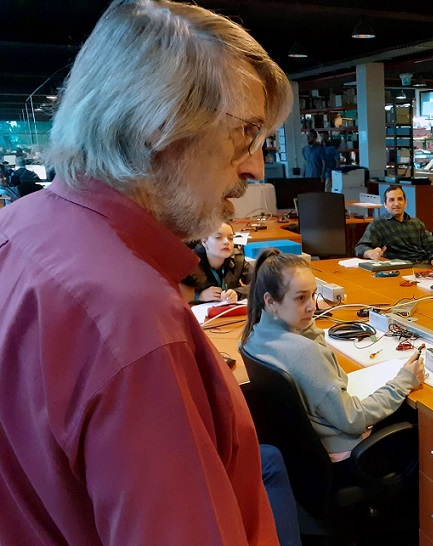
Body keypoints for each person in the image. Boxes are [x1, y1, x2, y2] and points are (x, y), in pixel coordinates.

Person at [0, 1, 292, 544]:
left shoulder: (17, 227)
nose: (255, 166)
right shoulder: (132, 319)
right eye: (246, 133)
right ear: (161, 121)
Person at [240, 250, 424, 474]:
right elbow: (354, 419)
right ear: (270, 301)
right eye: (300, 298)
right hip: (344, 457)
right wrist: (404, 381)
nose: (311, 307)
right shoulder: (305, 353)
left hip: (306, 458)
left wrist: (304, 321)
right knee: (417, 420)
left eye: (312, 295)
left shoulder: (253, 337)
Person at [355, 185, 433, 268]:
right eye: (391, 200)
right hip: (402, 268)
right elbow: (360, 247)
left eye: (400, 199)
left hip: (425, 266)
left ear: (405, 203)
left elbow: (431, 246)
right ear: (385, 204)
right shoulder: (378, 224)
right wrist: (370, 253)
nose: (396, 204)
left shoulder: (416, 223)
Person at [181, 222, 252, 303]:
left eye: (230, 238)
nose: (226, 242)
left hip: (228, 311)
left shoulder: (237, 259)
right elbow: (172, 293)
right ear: (204, 242)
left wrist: (238, 293)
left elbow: (260, 282)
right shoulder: (190, 262)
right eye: (218, 237)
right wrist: (199, 296)